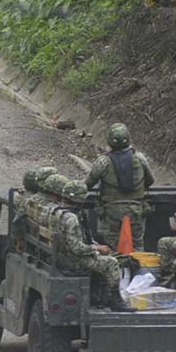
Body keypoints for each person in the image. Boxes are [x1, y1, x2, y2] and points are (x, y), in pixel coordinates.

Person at [46, 180, 134, 312]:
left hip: (60, 257)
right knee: (112, 263)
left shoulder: (56, 212)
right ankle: (116, 302)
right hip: (73, 261)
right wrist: (97, 249)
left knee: (104, 258)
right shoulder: (71, 218)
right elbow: (76, 248)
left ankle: (99, 297)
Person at [81, 122, 155, 251]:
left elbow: (86, 185)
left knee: (113, 247)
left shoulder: (103, 162)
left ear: (109, 140)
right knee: (138, 246)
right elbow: (150, 180)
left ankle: (115, 269)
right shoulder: (140, 158)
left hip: (111, 211)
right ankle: (140, 269)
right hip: (136, 210)